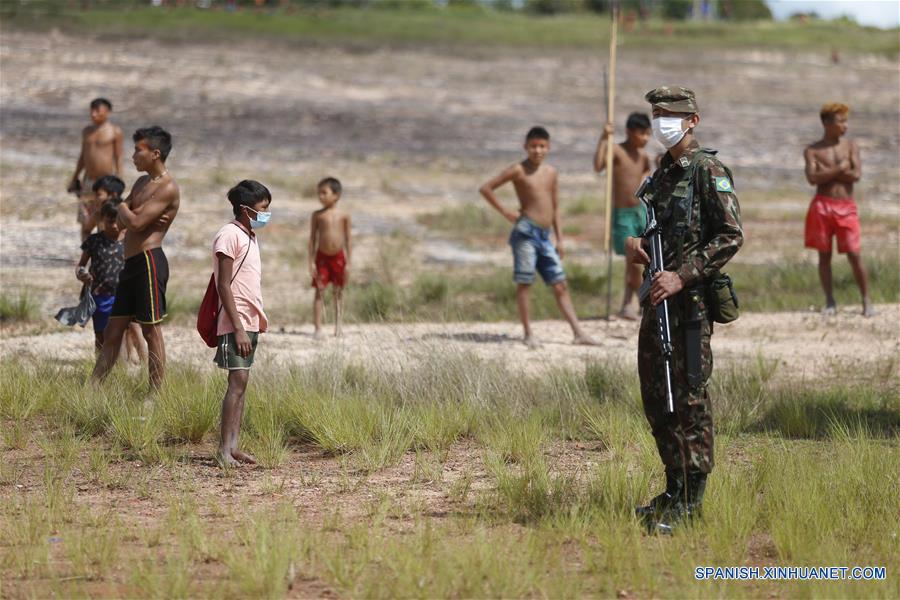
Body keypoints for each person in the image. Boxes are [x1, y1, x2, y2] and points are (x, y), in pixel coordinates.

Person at [625, 87, 743, 534]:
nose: (662, 122)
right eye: (656, 113)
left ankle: (692, 502)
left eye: (670, 114)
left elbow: (730, 235)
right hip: (657, 302)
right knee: (658, 397)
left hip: (690, 305)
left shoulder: (707, 171)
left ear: (693, 120)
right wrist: (639, 246)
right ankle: (673, 489)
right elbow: (661, 231)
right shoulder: (661, 173)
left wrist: (682, 274)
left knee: (689, 400)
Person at [480, 127, 599, 348]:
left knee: (560, 284)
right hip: (525, 233)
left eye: (542, 146)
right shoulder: (518, 170)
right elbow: (486, 188)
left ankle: (578, 333)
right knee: (525, 283)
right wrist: (506, 212)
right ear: (525, 147)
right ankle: (528, 334)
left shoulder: (551, 173)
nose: (537, 150)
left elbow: (555, 206)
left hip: (545, 237)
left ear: (548, 147)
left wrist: (560, 238)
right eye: (533, 146)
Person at [90, 126, 179, 392]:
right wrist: (129, 213)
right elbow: (122, 221)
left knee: (151, 330)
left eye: (138, 150)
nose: (133, 156)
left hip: (149, 261)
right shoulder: (141, 183)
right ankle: (92, 389)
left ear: (155, 153)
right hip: (129, 263)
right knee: (113, 330)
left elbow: (136, 223)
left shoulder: (168, 187)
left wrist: (123, 207)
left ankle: (155, 394)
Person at [213, 180, 272, 467]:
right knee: (236, 382)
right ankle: (224, 450)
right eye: (263, 208)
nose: (266, 214)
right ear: (246, 209)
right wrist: (237, 328)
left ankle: (234, 447)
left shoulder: (249, 235)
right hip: (235, 321)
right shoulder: (229, 235)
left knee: (242, 382)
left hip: (249, 320)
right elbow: (223, 285)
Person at [803, 102, 873, 317]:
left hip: (846, 206)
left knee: (854, 254)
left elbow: (856, 175)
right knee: (824, 256)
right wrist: (840, 168)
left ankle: (866, 300)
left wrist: (827, 172)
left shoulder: (851, 146)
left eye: (845, 121)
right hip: (822, 206)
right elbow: (812, 178)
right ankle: (830, 301)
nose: (845, 126)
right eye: (841, 121)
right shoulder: (812, 150)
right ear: (827, 123)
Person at [594, 112, 653, 320]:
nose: (645, 138)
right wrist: (604, 138)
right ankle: (640, 301)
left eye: (648, 134)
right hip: (622, 214)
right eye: (641, 133)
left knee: (638, 259)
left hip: (640, 212)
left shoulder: (643, 155)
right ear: (629, 131)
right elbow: (599, 166)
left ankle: (629, 304)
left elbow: (647, 170)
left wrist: (644, 181)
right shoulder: (616, 150)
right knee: (632, 259)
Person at [91, 175, 146, 363]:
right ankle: (123, 362)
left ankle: (139, 361)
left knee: (132, 327)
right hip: (104, 283)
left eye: (99, 194)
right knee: (115, 328)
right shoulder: (103, 217)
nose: (95, 198)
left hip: (123, 280)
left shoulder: (122, 217)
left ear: (112, 194)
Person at [69, 98, 124, 241]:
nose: (94, 114)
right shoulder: (87, 131)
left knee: (104, 216)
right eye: (92, 110)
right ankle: (86, 250)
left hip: (106, 182)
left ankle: (105, 248)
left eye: (98, 111)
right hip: (88, 180)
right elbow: (83, 156)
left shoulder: (115, 131)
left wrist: (119, 181)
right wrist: (74, 177)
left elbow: (118, 157)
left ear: (107, 112)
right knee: (85, 217)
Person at [308, 177, 351, 339]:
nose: (320, 196)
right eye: (319, 193)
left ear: (336, 195)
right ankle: (318, 328)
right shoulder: (317, 215)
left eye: (324, 192)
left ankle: (338, 327)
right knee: (319, 291)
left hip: (339, 257)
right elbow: (312, 239)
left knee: (338, 292)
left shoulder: (344, 215)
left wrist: (349, 263)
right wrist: (311, 261)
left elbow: (348, 239)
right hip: (322, 258)